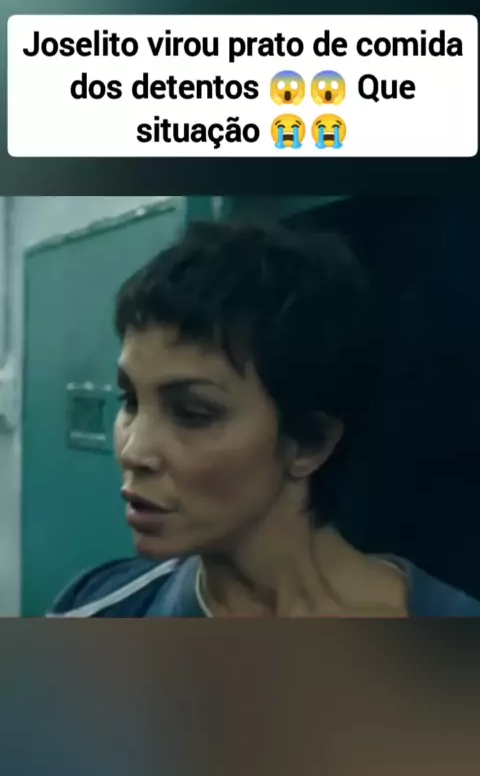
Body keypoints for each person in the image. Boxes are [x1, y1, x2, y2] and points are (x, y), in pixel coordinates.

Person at [48, 221, 480, 618]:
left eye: (193, 413)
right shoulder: (95, 609)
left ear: (310, 443)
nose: (133, 450)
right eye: (130, 400)